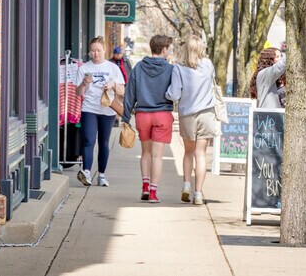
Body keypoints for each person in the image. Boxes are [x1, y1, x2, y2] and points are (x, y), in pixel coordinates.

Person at [166, 35, 220, 205]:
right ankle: (198, 194)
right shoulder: (208, 65)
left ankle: (186, 186)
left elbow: (174, 94)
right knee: (201, 154)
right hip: (206, 114)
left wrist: (166, 95)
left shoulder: (179, 68)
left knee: (188, 152)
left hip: (187, 114)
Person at [122, 35, 174, 203]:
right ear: (164, 49)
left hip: (143, 115)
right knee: (157, 156)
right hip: (162, 114)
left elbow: (130, 93)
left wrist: (126, 115)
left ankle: (144, 186)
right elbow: (176, 92)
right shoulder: (170, 69)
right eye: (168, 49)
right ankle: (153, 193)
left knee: (145, 153)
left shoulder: (138, 68)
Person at [74, 36, 125, 187]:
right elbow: (78, 93)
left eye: (99, 50)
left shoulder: (112, 68)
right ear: (90, 52)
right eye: (93, 51)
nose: (96, 53)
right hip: (89, 108)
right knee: (88, 140)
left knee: (103, 143)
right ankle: (87, 172)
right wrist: (84, 83)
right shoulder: (84, 68)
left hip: (107, 109)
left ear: (104, 50)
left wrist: (113, 84)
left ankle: (101, 175)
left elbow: (122, 91)